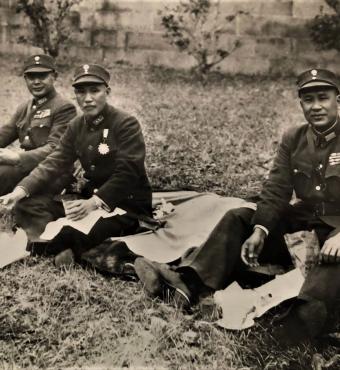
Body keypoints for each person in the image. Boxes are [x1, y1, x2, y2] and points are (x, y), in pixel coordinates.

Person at [134, 68, 340, 346]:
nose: (315, 106)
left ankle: (293, 328)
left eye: (323, 98)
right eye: (308, 99)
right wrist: (261, 229)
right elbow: (277, 188)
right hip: (305, 224)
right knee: (239, 218)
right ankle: (188, 286)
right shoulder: (294, 138)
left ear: (337, 99)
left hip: (336, 232)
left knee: (329, 271)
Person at [0, 63, 152, 267]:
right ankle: (63, 247)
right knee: (28, 205)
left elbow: (128, 173)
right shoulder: (76, 126)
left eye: (95, 91)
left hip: (124, 204)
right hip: (88, 199)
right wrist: (19, 191)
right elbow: (54, 162)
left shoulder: (125, 123)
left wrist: (93, 203)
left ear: (107, 92)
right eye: (81, 92)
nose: (88, 98)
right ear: (76, 95)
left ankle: (72, 248)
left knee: (73, 232)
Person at [0, 54, 76, 195]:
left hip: (51, 171)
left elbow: (56, 149)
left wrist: (17, 157)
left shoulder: (64, 107)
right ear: (25, 79)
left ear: (54, 76)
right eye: (31, 77)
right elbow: (5, 133)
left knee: (2, 173)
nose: (36, 82)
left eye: (42, 76)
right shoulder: (24, 107)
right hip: (28, 167)